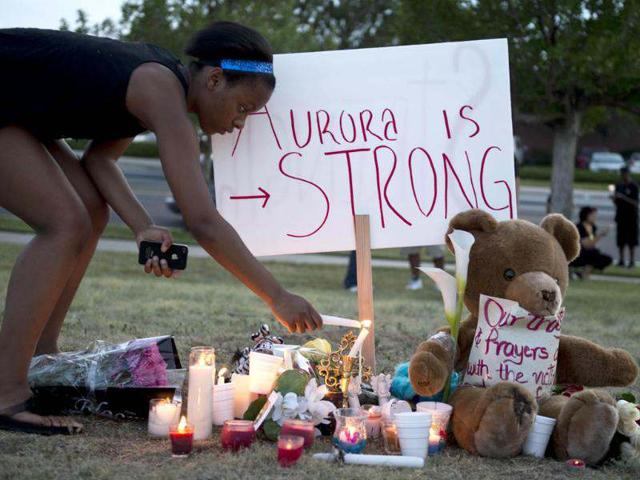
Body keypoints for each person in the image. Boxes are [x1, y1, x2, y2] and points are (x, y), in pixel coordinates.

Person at [0, 22, 322, 435]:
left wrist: (142, 227)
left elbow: (99, 161)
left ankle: (39, 358)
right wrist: (277, 296)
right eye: (242, 107)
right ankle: (7, 393)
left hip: (20, 112)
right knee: (65, 222)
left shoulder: (156, 83)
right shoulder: (160, 90)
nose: (239, 123)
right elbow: (203, 222)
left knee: (88, 211)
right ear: (215, 79)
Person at [570, 207, 612, 279]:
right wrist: (600, 235)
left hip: (588, 252)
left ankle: (582, 273)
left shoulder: (593, 227)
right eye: (593, 216)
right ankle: (583, 274)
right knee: (593, 253)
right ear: (586, 215)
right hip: (576, 253)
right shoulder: (579, 227)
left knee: (606, 258)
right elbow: (585, 244)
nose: (595, 217)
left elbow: (592, 242)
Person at [612, 167, 639, 268]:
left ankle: (631, 260)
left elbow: (636, 203)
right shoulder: (619, 185)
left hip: (631, 217)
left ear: (628, 174)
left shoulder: (634, 186)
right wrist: (614, 198)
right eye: (622, 174)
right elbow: (616, 202)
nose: (623, 176)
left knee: (632, 239)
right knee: (621, 239)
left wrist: (623, 197)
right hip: (621, 216)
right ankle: (621, 260)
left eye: (625, 174)